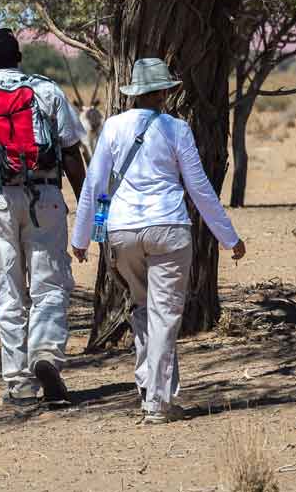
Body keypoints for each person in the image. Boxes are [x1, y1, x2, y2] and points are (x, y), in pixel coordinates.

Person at [71, 58, 246, 424]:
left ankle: (150, 386)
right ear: (166, 92)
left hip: (122, 233)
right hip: (168, 229)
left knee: (141, 309)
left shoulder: (114, 127)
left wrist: (81, 236)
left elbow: (94, 184)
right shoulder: (177, 129)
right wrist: (228, 237)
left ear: (134, 93)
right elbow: (199, 188)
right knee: (165, 316)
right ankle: (158, 403)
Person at [0, 28, 87, 407]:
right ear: (20, 58)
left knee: (8, 292)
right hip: (46, 196)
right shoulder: (48, 92)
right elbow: (72, 155)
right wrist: (90, 210)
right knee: (50, 283)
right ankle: (45, 354)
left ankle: (20, 385)